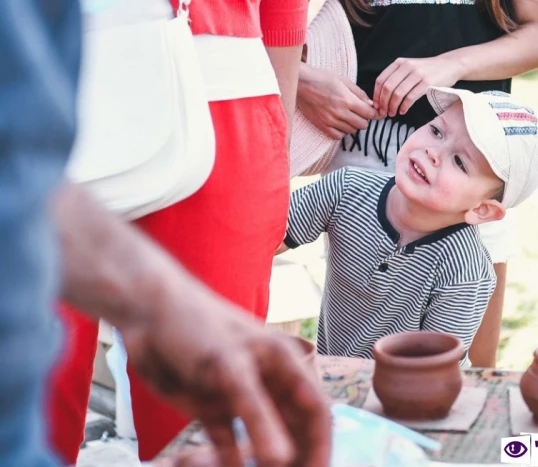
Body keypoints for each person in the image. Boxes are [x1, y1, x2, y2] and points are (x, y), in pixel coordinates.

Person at [1, 1, 331, 467]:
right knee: (28, 399)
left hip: (222, 93)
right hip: (29, 88)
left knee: (201, 427)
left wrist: (277, 127)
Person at [296, 0, 538, 367]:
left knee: (467, 374)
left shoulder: (472, 244)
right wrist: (299, 78)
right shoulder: (347, 189)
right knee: (353, 344)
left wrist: (454, 63)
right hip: (362, 143)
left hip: (478, 162)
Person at [279, 87, 538, 364]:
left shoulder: (464, 273)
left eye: (459, 161)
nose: (434, 152)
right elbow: (264, 238)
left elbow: (434, 371)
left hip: (405, 393)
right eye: (436, 131)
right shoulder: (346, 189)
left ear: (481, 210)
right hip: (335, 377)